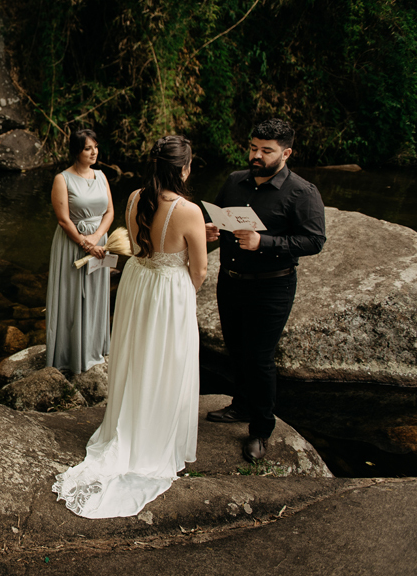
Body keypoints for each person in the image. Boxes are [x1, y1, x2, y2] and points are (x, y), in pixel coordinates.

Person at [53, 135, 207, 518]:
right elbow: (199, 269)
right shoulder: (188, 210)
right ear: (183, 168)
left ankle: (127, 425)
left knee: (137, 357)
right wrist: (187, 288)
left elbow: (144, 248)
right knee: (165, 361)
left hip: (137, 284)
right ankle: (153, 439)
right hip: (168, 292)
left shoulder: (136, 197)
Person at [204, 118, 326, 462]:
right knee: (235, 348)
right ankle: (240, 406)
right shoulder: (233, 181)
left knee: (259, 357)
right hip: (230, 280)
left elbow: (314, 240)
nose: (256, 155)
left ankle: (260, 428)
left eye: (266, 151)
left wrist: (264, 242)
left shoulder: (303, 192)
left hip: (272, 286)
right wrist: (213, 230)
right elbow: (222, 219)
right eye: (253, 147)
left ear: (286, 153)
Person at [44, 129, 115, 376]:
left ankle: (94, 348)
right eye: (88, 148)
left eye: (95, 146)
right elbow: (63, 220)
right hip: (72, 244)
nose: (94, 152)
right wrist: (86, 243)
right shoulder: (62, 179)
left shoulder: (102, 176)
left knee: (96, 294)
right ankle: (68, 355)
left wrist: (97, 239)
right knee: (71, 296)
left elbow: (110, 213)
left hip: (99, 243)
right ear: (76, 151)